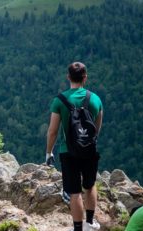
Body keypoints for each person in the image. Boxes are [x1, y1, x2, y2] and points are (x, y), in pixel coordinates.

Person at [46, 62, 103, 231]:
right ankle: (91, 222)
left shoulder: (59, 100)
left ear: (68, 77)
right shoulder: (95, 98)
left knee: (75, 191)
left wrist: (49, 152)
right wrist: (90, 140)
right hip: (89, 150)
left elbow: (53, 131)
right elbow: (97, 125)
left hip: (68, 151)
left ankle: (78, 228)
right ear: (85, 78)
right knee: (90, 184)